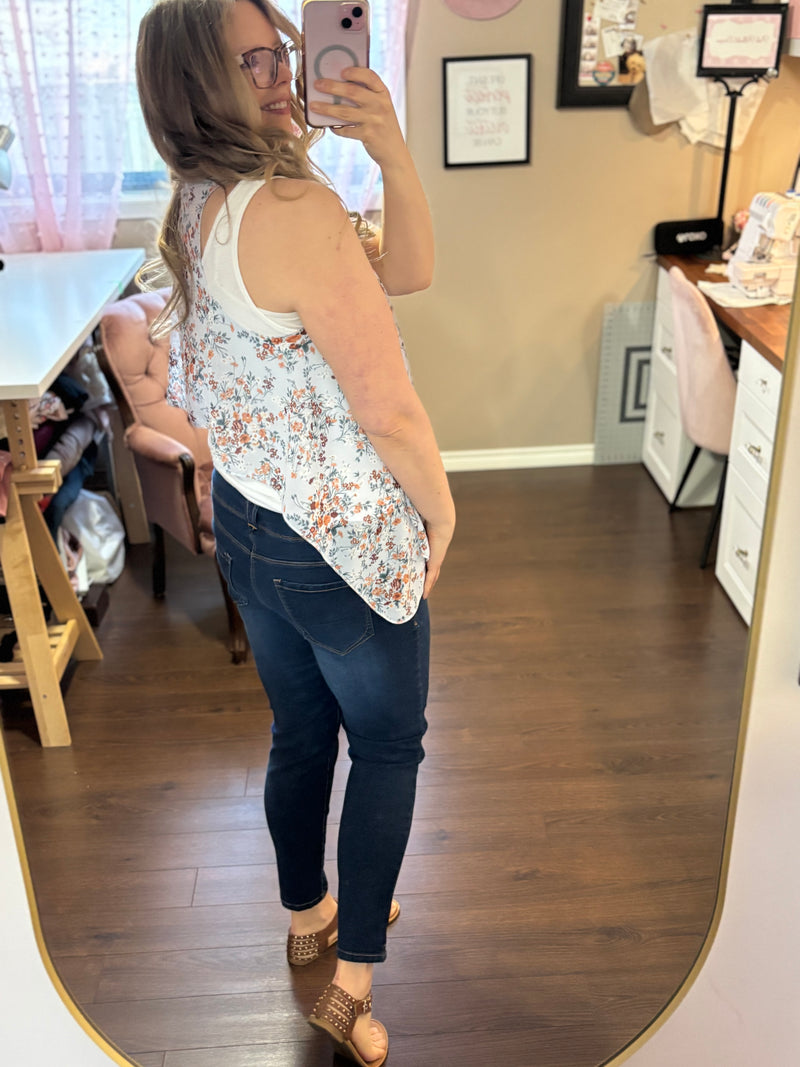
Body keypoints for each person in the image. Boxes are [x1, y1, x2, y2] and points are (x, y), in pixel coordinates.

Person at [135, 1, 455, 1064]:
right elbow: (391, 410)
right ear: (196, 84)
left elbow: (401, 268)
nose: (280, 73)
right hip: (337, 544)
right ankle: (353, 975)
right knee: (391, 745)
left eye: (282, 47)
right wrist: (441, 505)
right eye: (251, 60)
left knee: (300, 732)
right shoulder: (292, 206)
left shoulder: (196, 200)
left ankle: (307, 913)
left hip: (250, 525)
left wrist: (390, 149)